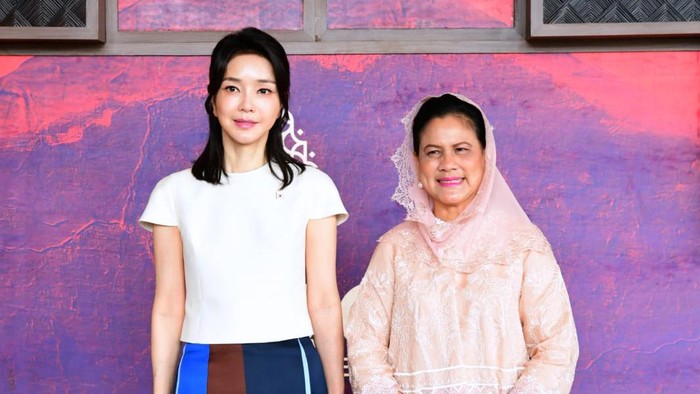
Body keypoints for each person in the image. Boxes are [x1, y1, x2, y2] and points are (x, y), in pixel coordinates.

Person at [139, 27, 348, 394]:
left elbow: (324, 301)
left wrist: (334, 389)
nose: (247, 104)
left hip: (291, 364)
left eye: (263, 90)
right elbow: (169, 305)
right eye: (233, 88)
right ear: (213, 100)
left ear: (281, 104)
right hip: (204, 365)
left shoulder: (312, 188)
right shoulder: (174, 193)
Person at [346, 93, 578, 393]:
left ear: (485, 156)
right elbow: (365, 347)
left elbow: (556, 348)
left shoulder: (523, 246)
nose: (448, 164)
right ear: (416, 161)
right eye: (433, 152)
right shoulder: (395, 249)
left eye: (461, 149)